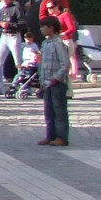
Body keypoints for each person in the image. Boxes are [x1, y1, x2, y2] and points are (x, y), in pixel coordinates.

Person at [38, 16, 73, 148]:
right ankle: (50, 135)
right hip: (46, 83)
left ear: (51, 28)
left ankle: (62, 137)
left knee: (59, 111)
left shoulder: (59, 43)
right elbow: (42, 63)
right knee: (49, 111)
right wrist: (42, 79)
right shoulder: (45, 43)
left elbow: (65, 64)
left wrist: (55, 78)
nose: (41, 29)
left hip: (57, 83)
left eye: (44, 27)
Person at [0, 0, 25, 94]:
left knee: (18, 62)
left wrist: (9, 25)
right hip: (4, 36)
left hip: (14, 36)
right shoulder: (1, 10)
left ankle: (22, 85)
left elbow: (23, 23)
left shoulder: (16, 8)